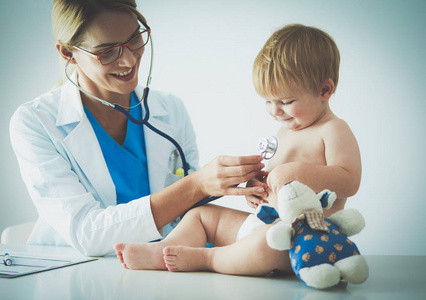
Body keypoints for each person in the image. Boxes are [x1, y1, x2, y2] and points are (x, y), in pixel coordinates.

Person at [9, 0, 266, 257]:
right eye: (107, 51)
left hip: (158, 270)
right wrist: (196, 185)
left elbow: (183, 214)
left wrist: (237, 184)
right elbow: (87, 233)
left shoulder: (171, 110)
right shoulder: (35, 122)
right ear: (67, 53)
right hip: (78, 275)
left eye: (134, 39)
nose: (129, 60)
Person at [114, 23, 362, 276]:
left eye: (286, 102)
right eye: (268, 101)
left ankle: (208, 258)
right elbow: (277, 183)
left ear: (324, 90)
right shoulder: (285, 132)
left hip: (300, 242)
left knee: (267, 242)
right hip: (262, 224)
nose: (275, 111)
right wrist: (256, 188)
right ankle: (166, 248)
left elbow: (350, 181)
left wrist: (298, 172)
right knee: (201, 214)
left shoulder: (333, 129)